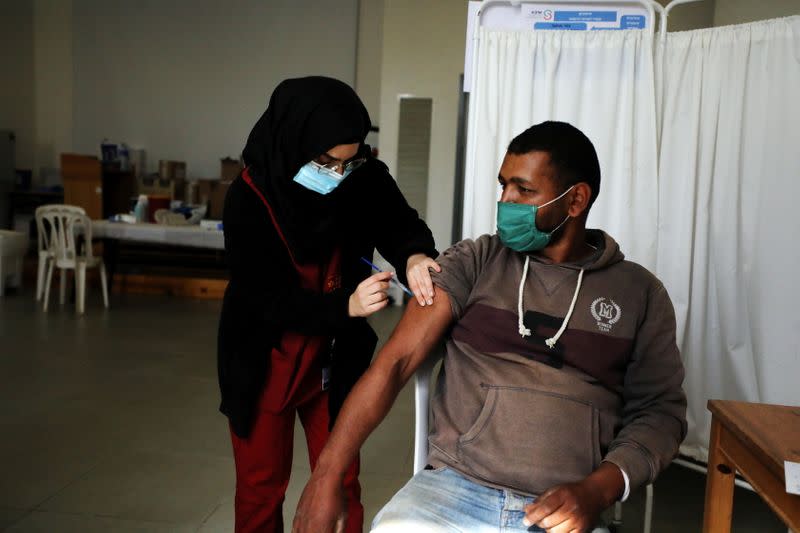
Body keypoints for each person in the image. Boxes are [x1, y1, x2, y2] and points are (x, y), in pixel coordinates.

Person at [293, 121, 687, 533]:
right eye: (503, 186)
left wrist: (597, 491)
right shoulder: (476, 261)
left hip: (562, 505)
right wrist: (326, 477)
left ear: (576, 201)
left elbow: (660, 413)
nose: (505, 201)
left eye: (523, 190)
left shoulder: (638, 293)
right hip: (450, 491)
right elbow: (395, 362)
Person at [217, 76, 440, 533]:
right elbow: (265, 298)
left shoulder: (361, 177)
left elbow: (398, 223)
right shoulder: (250, 198)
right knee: (261, 488)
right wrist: (347, 307)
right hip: (267, 357)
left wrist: (415, 253)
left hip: (333, 361)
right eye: (325, 162)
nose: (338, 174)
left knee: (340, 478)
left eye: (349, 161)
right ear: (295, 143)